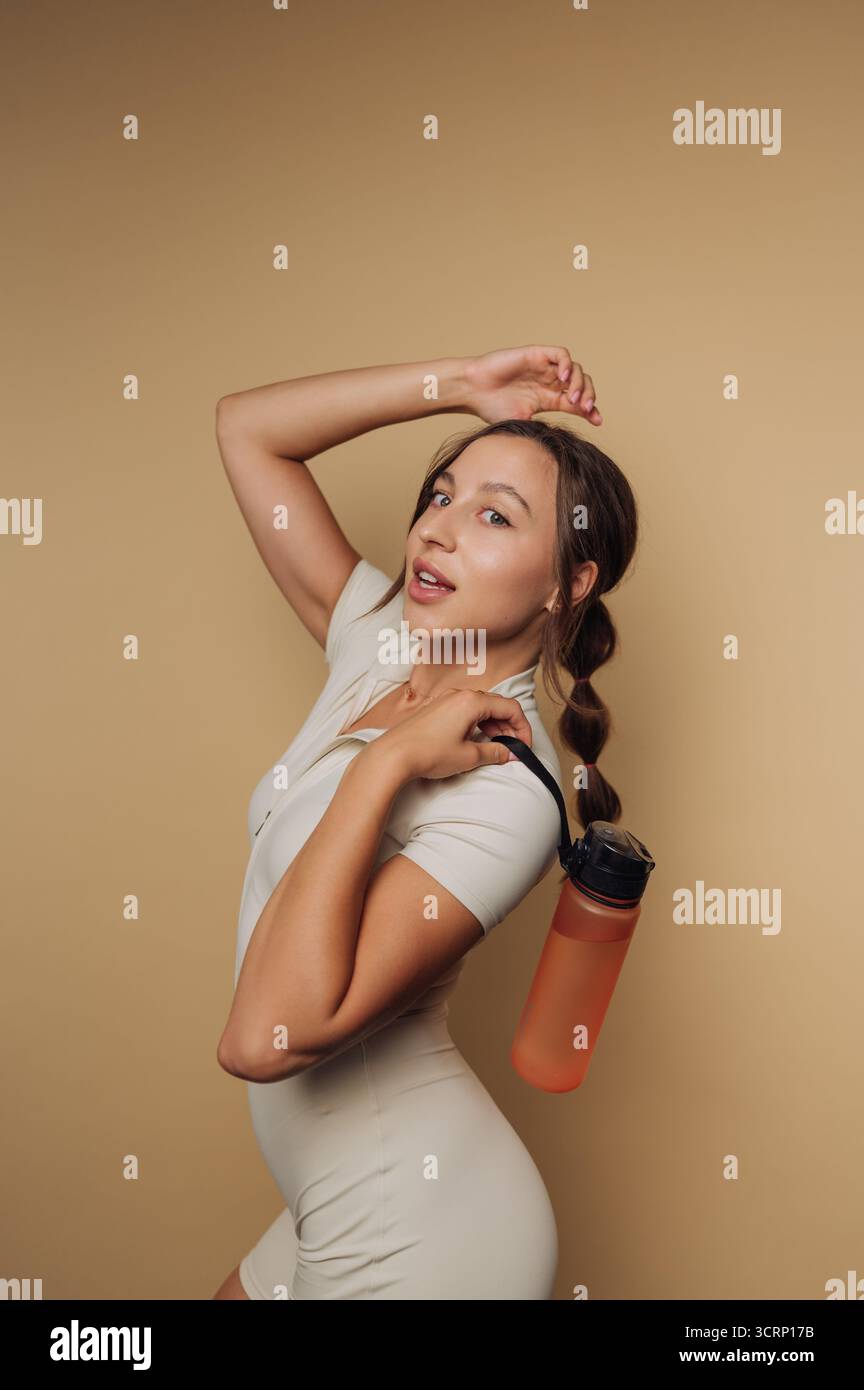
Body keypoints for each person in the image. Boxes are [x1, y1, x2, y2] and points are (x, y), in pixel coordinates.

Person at [211, 345, 639, 1300]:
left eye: (494, 516)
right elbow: (247, 428)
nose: (439, 531)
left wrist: (388, 763)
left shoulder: (511, 790)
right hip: (338, 1197)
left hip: (429, 1238)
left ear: (569, 585)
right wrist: (459, 388)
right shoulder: (383, 641)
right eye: (441, 496)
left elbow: (266, 1039)